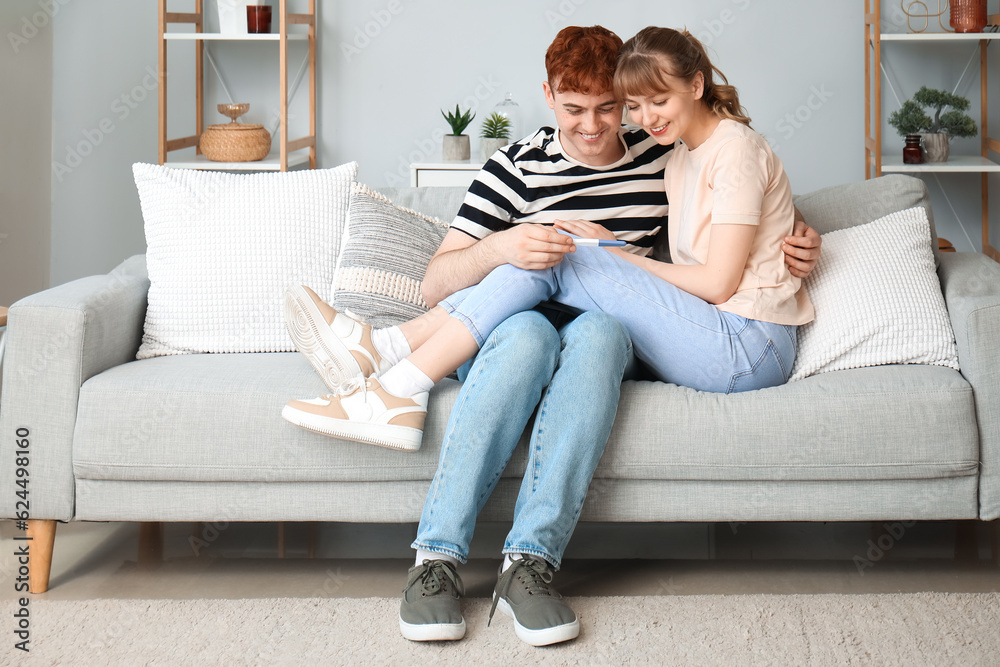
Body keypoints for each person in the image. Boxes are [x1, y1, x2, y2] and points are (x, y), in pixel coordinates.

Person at [282, 26, 821, 646]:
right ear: (547, 95)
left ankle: (525, 560)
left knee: (592, 324)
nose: (594, 126)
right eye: (574, 109)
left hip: (619, 333)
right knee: (534, 322)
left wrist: (802, 240)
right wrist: (505, 246)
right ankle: (435, 559)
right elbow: (437, 282)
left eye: (611, 108)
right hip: (514, 326)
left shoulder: (659, 151)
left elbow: (748, 203)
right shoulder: (513, 168)